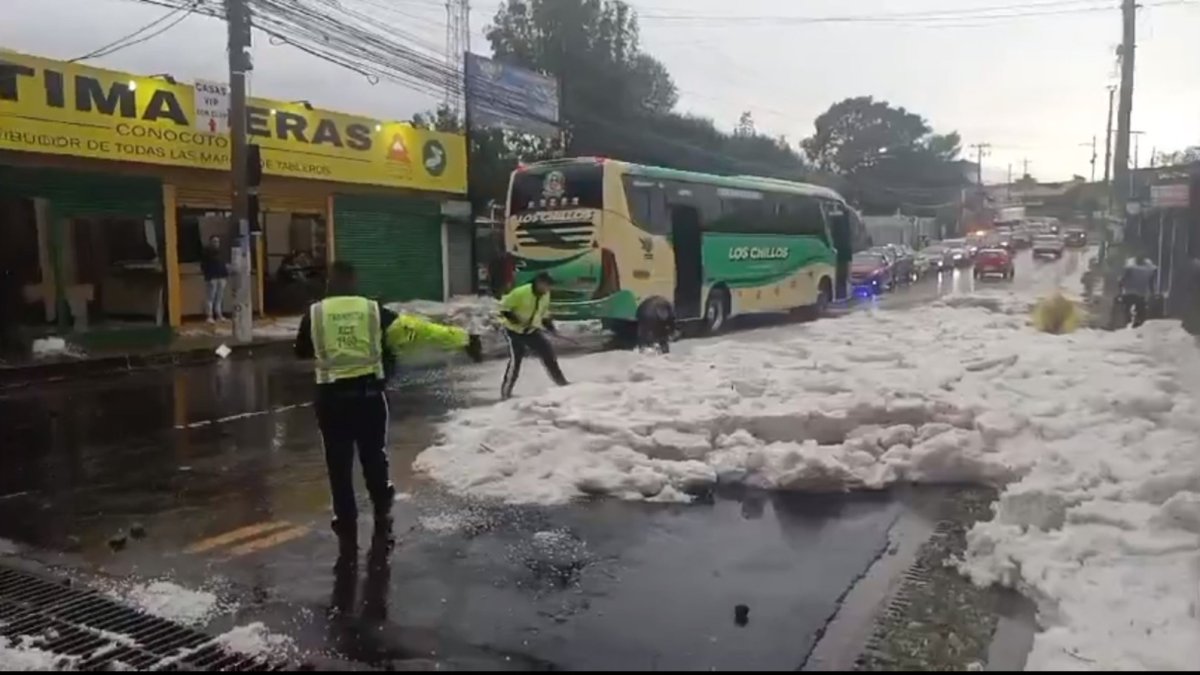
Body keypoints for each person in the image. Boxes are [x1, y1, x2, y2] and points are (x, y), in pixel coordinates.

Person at [295, 261, 483, 550]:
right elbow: (415, 330)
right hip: (369, 397)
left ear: (329, 283)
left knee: (338, 461)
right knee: (373, 454)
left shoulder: (315, 313)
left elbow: (302, 352)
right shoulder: (372, 311)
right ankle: (381, 505)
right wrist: (463, 338)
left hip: (331, 400)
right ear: (354, 282)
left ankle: (345, 518)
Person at [499, 272, 568, 400]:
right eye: (546, 285)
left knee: (548, 354)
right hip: (514, 331)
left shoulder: (545, 295)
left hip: (531, 330)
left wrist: (550, 327)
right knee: (515, 362)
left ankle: (562, 384)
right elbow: (503, 307)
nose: (548, 289)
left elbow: (544, 313)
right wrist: (515, 320)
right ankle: (505, 393)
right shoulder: (520, 292)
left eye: (549, 286)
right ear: (538, 283)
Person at [1116, 254, 1158, 328]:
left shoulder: (1130, 268)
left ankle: (1127, 319)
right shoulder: (1149, 270)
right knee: (1140, 309)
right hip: (1141, 294)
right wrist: (1153, 293)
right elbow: (1151, 284)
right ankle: (1136, 320)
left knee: (1126, 307)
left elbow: (1122, 280)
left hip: (1128, 292)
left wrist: (1120, 290)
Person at [200, 235, 229, 323]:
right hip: (212, 277)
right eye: (214, 241)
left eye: (217, 241)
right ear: (210, 242)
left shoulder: (221, 252)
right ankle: (209, 316)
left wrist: (225, 275)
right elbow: (203, 266)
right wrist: (208, 276)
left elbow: (224, 264)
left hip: (221, 277)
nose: (216, 243)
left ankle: (219, 314)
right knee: (210, 297)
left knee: (219, 297)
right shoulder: (206, 253)